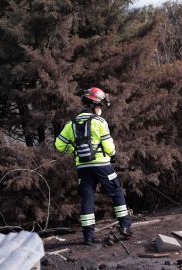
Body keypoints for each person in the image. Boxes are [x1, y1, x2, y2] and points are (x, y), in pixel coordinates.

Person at [55, 87, 132, 245]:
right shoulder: (99, 122)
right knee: (116, 191)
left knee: (87, 198)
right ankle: (125, 226)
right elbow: (109, 146)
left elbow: (58, 145)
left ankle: (88, 237)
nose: (101, 109)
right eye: (100, 106)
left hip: (83, 167)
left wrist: (75, 149)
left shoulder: (72, 124)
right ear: (93, 105)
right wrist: (113, 155)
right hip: (102, 165)